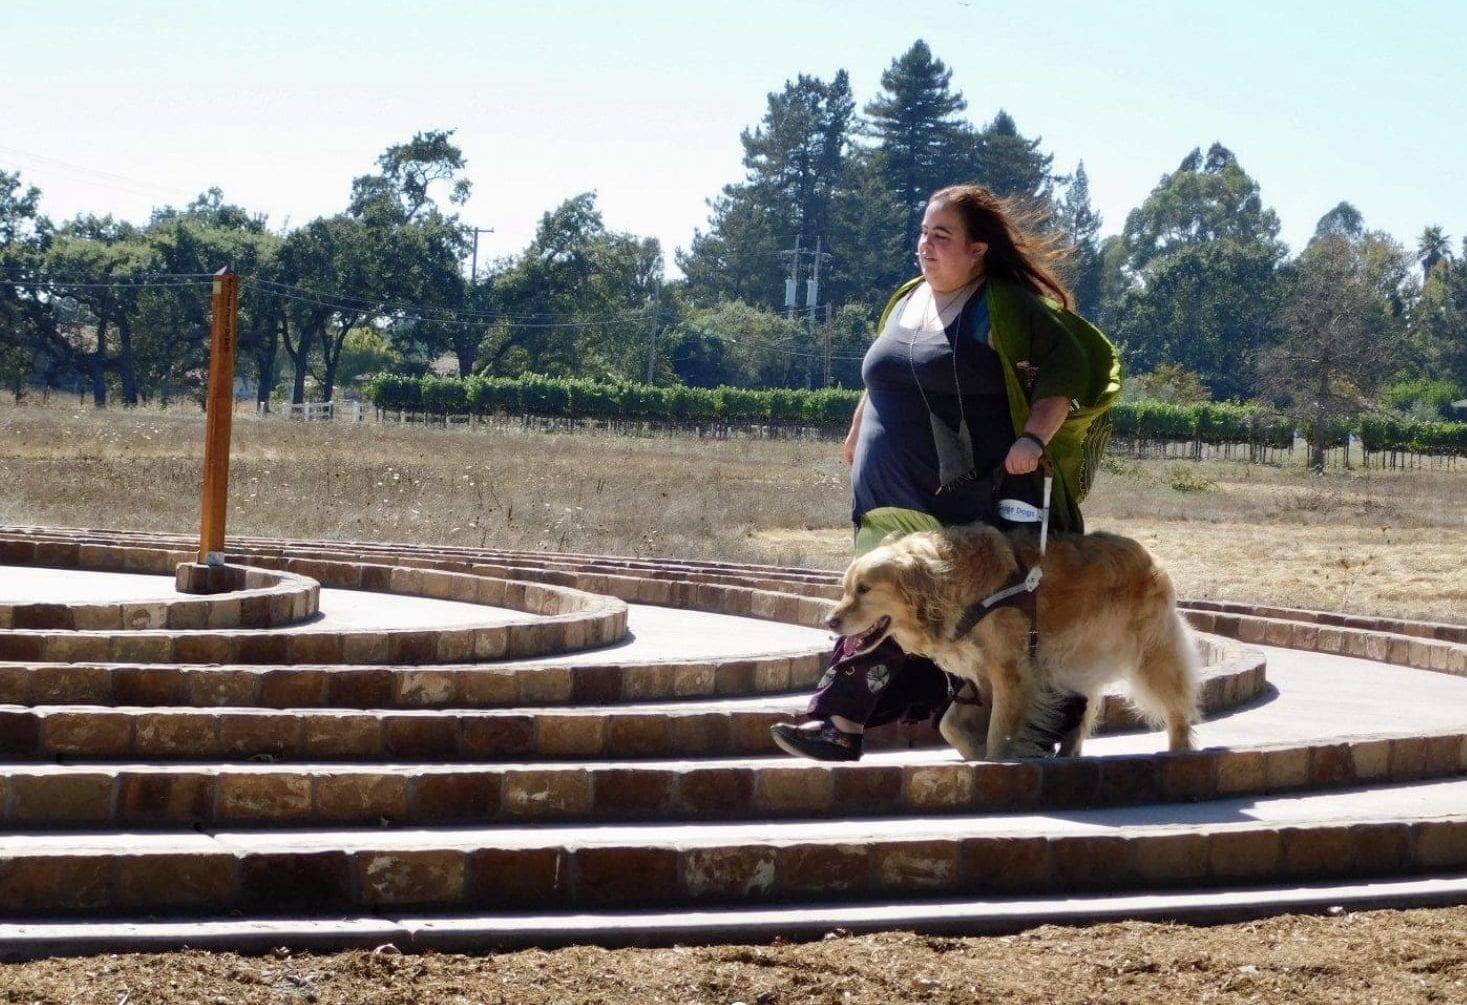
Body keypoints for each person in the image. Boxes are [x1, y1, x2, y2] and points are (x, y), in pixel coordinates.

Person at [770, 183, 1120, 762]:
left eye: (942, 236)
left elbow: (1068, 367)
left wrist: (1034, 436)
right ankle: (964, 713)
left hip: (956, 504)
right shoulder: (908, 296)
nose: (925, 246)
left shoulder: (1002, 306)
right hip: (886, 498)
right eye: (923, 234)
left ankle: (841, 722)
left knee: (899, 604)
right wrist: (859, 427)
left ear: (978, 249)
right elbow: (885, 372)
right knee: (915, 614)